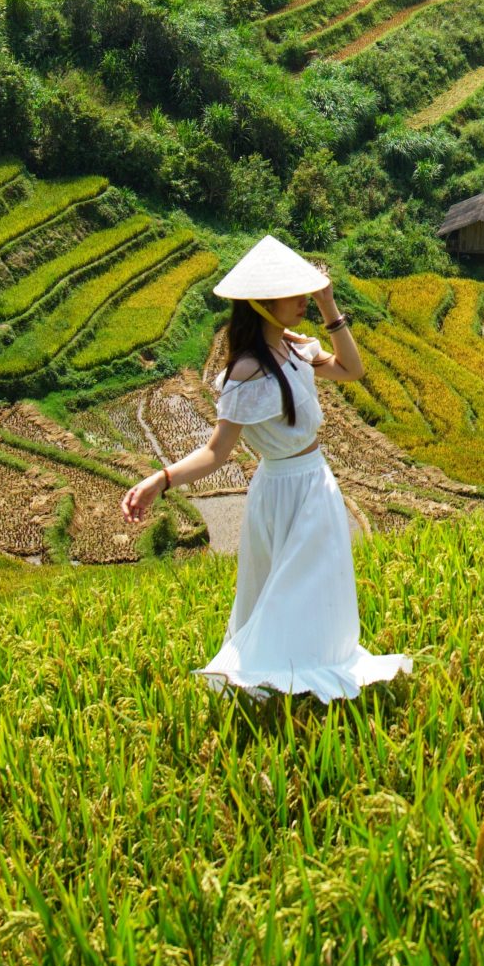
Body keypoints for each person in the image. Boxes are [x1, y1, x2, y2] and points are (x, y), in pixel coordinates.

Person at [120, 234, 410, 702]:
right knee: (283, 588)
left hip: (316, 482)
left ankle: (312, 673)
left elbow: (352, 369)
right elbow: (217, 451)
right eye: (291, 295)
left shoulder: (296, 349)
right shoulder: (246, 372)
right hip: (281, 490)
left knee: (319, 584)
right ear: (261, 305)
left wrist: (329, 305)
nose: (301, 300)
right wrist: (163, 478)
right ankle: (284, 680)